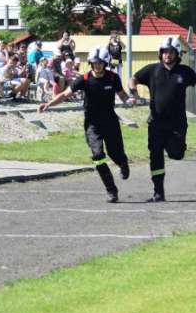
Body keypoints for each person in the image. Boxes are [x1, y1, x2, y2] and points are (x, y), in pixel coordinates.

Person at [129, 36, 196, 202]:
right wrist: (134, 94)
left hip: (177, 123)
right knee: (155, 155)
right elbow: (133, 79)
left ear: (177, 54)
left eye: (171, 52)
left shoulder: (184, 72)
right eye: (164, 52)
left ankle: (173, 147)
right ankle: (158, 192)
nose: (167, 55)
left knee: (176, 154)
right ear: (160, 53)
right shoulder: (152, 70)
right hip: (156, 123)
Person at [39, 45, 131, 203]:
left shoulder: (112, 78)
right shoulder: (85, 79)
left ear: (105, 63)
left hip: (110, 121)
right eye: (94, 63)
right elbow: (65, 94)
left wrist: (128, 100)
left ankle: (123, 163)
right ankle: (111, 190)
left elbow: (122, 94)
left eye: (100, 63)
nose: (97, 65)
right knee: (98, 156)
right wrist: (49, 104)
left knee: (115, 153)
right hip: (92, 123)